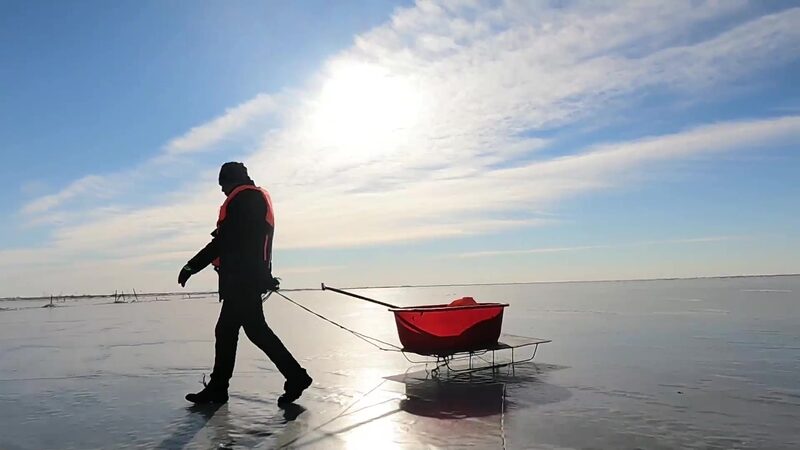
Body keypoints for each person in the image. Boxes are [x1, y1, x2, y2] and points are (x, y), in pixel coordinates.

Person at [178, 161, 312, 406]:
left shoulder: (245, 200)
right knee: (243, 331)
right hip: (245, 278)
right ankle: (291, 376)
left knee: (243, 331)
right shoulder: (250, 200)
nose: (222, 191)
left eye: (223, 184)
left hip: (243, 280)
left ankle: (294, 376)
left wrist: (191, 266)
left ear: (231, 180)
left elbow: (225, 242)